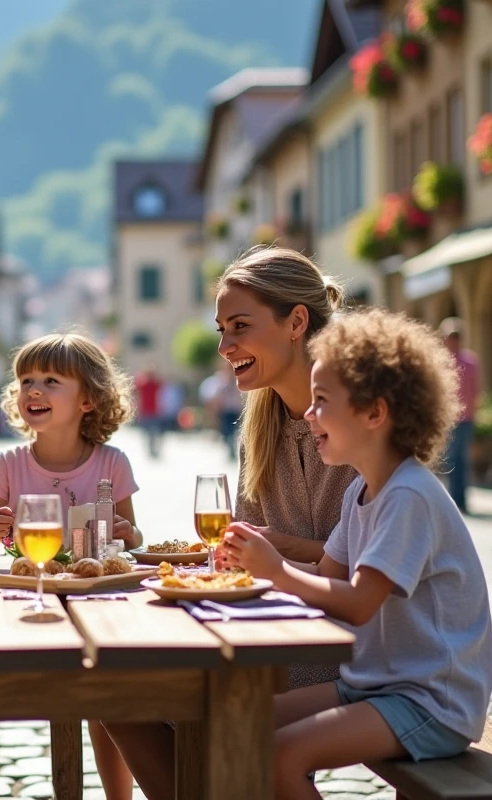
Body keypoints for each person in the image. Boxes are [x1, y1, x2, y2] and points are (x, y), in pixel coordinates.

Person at [104, 245, 357, 800]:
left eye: (239, 327)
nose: (224, 348)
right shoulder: (261, 423)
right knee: (117, 698)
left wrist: (280, 549)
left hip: (346, 644)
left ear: (296, 322)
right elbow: (247, 555)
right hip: (274, 628)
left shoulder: (358, 415)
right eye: (220, 330)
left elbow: (368, 570)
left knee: (216, 712)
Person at [221, 308, 492, 800]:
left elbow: (357, 602)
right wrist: (255, 561)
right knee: (234, 724)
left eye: (322, 401)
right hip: (374, 684)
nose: (308, 414)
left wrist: (276, 570)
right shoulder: (362, 492)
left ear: (374, 413)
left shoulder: (408, 494)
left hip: (429, 700)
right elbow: (327, 575)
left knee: (283, 753)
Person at [0, 332, 142, 800]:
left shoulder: (112, 463)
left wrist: (126, 532)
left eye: (50, 380)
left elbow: (135, 540)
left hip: (98, 605)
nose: (33, 390)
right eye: (25, 380)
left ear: (88, 399)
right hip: (26, 604)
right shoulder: (8, 464)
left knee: (106, 697)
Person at [438, 318, 480, 513]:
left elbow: (475, 390)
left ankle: (460, 499)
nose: (453, 341)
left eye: (456, 337)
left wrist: (476, 412)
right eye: (450, 337)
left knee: (462, 459)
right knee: (451, 459)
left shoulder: (470, 362)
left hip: (466, 418)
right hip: (447, 418)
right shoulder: (440, 362)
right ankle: (452, 500)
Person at [199, 363, 244, 459]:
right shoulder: (223, 381)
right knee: (227, 430)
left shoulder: (238, 380)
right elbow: (217, 395)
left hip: (235, 409)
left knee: (235, 430)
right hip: (226, 410)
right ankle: (230, 448)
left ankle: (232, 447)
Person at [134, 367, 163, 458]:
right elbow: (135, 386)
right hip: (146, 412)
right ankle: (150, 450)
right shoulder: (144, 384)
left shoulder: (154, 384)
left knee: (155, 432)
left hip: (154, 412)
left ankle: (154, 449)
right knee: (147, 433)